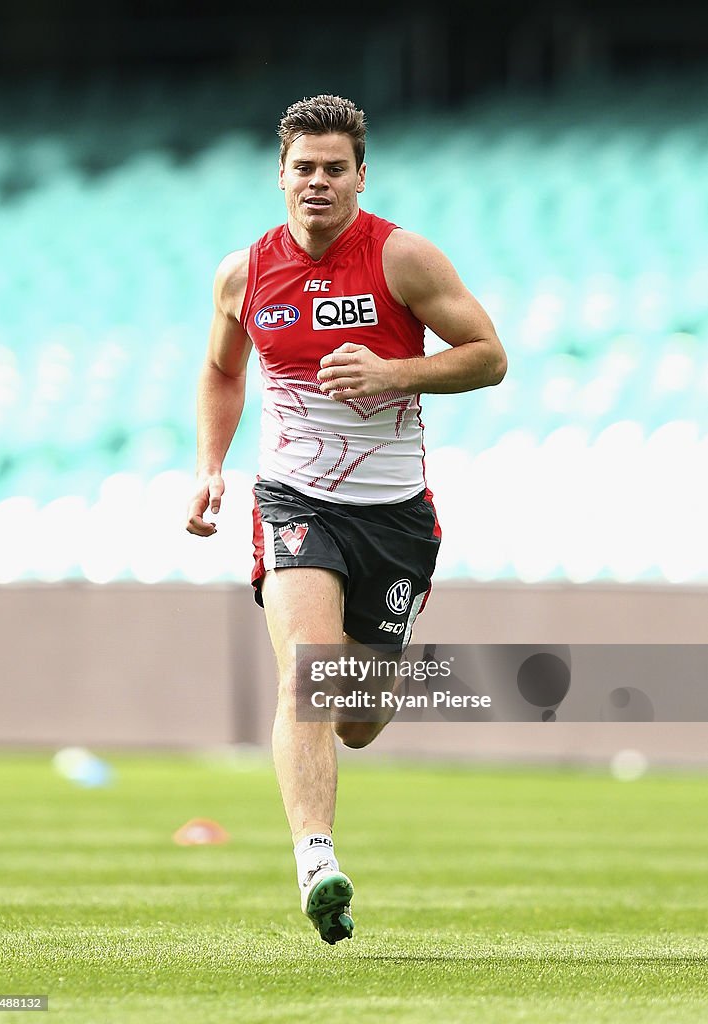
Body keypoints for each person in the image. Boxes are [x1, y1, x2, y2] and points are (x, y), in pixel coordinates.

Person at [186, 95, 507, 945]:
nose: (318, 182)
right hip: (292, 500)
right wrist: (211, 468)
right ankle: (316, 861)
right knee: (310, 672)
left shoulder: (402, 258)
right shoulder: (243, 274)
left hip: (393, 516)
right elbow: (223, 374)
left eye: (335, 168)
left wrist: (395, 372)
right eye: (304, 168)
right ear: (280, 175)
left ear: (360, 175)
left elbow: (488, 356)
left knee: (357, 715)